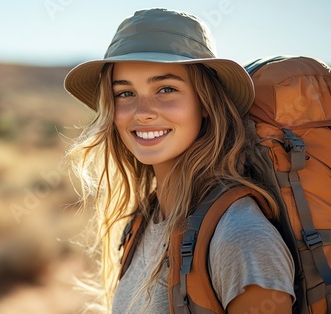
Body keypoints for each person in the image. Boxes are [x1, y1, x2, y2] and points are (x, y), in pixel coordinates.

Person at [64, 8, 295, 314]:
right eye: (125, 93)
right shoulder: (145, 221)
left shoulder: (240, 236)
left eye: (167, 89)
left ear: (205, 102)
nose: (142, 111)